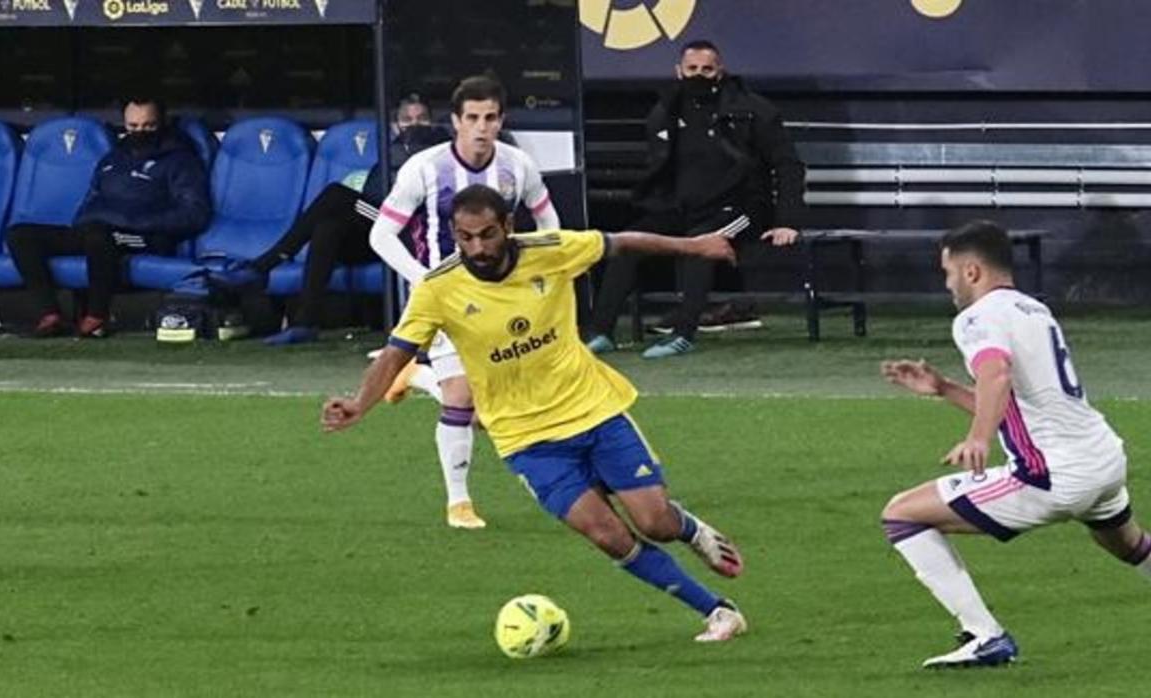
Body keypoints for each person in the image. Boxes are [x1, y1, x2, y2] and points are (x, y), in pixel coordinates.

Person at [323, 184, 749, 641]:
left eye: (487, 234)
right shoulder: (439, 289)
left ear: (508, 226)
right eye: (465, 237)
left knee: (655, 523)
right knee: (608, 536)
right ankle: (718, 611)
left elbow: (622, 241)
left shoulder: (550, 251)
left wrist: (695, 246)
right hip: (526, 438)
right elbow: (394, 353)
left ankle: (689, 528)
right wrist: (358, 405)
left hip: (593, 411)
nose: (477, 248)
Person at [879, 220, 1151, 668]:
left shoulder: (977, 317)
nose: (947, 283)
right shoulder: (1033, 310)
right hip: (1103, 458)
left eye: (948, 272)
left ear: (971, 271)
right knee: (1131, 544)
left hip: (1054, 475)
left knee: (902, 515)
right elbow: (1021, 402)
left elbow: (997, 375)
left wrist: (978, 438)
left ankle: (985, 635)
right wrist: (946, 388)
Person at [366, 74, 561, 530]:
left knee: (491, 412)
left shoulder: (518, 166)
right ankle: (459, 503)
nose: (481, 127)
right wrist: (425, 280)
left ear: (501, 120)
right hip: (445, 300)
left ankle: (418, 377)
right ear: (455, 121)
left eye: (490, 118)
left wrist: (542, 276)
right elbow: (381, 233)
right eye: (471, 118)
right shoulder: (424, 168)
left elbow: (551, 224)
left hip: (502, 299)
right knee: (462, 395)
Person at [585, 39, 806, 359]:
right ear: (679, 71)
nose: (698, 75)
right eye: (692, 69)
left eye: (706, 69)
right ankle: (601, 332)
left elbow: (788, 164)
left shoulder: (751, 110)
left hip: (739, 209)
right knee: (629, 243)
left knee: (701, 243)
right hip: (680, 209)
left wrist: (788, 220)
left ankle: (684, 333)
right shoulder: (666, 110)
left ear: (720, 72)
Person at [206, 94, 449, 345]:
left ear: (433, 122)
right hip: (379, 234)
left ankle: (263, 266)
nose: (415, 125)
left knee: (336, 194)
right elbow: (374, 194)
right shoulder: (392, 151)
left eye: (421, 118)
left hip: (408, 234)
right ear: (396, 125)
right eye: (407, 120)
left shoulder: (441, 152)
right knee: (327, 228)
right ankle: (304, 323)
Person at [7, 97, 210, 337]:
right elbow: (90, 200)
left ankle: (96, 317)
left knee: (98, 235)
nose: (139, 132)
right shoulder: (113, 158)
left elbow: (195, 214)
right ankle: (50, 315)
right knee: (21, 235)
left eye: (148, 126)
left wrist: (136, 222)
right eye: (133, 126)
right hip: (97, 230)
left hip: (146, 237)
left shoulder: (180, 161)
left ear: (162, 123)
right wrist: (83, 222)